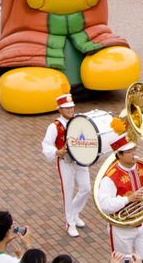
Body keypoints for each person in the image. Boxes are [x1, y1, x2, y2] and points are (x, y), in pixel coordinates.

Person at [97, 133, 143, 262]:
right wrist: (128, 199)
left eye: (134, 149)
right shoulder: (110, 177)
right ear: (119, 154)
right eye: (129, 151)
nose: (134, 153)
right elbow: (104, 205)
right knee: (122, 260)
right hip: (122, 228)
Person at [40, 92, 89, 237]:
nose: (70, 110)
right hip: (66, 162)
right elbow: (46, 144)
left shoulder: (78, 121)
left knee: (86, 188)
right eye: (66, 108)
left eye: (72, 107)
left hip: (80, 160)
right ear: (59, 109)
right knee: (68, 192)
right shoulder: (54, 126)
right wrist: (56, 152)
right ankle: (69, 223)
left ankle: (74, 213)